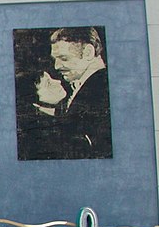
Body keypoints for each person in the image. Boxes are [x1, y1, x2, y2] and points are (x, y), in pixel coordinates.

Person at [22, 26, 112, 160]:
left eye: (63, 58)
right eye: (55, 59)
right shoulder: (91, 86)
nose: (56, 66)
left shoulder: (100, 89)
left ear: (88, 52)